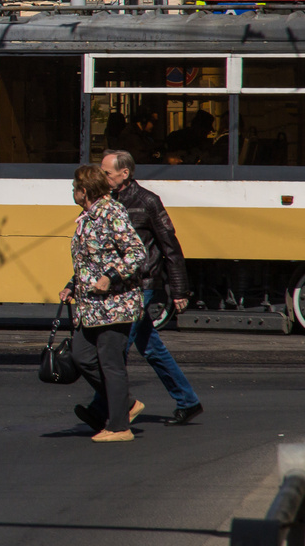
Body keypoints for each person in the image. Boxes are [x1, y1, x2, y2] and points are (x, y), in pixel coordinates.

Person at [79, 150, 204, 429]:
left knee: (116, 349)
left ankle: (104, 409)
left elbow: (170, 247)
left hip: (142, 285)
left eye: (107, 173)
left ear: (125, 173)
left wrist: (179, 290)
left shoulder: (148, 201)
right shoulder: (106, 201)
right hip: (117, 287)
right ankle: (188, 400)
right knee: (150, 347)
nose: (102, 176)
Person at [61, 164, 147, 443]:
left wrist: (111, 276)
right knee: (81, 355)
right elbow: (90, 259)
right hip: (91, 306)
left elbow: (136, 253)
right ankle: (127, 403)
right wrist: (72, 284)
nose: (72, 192)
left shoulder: (112, 212)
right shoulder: (88, 216)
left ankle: (120, 427)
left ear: (84, 191)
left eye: (75, 187)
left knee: (111, 365)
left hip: (115, 304)